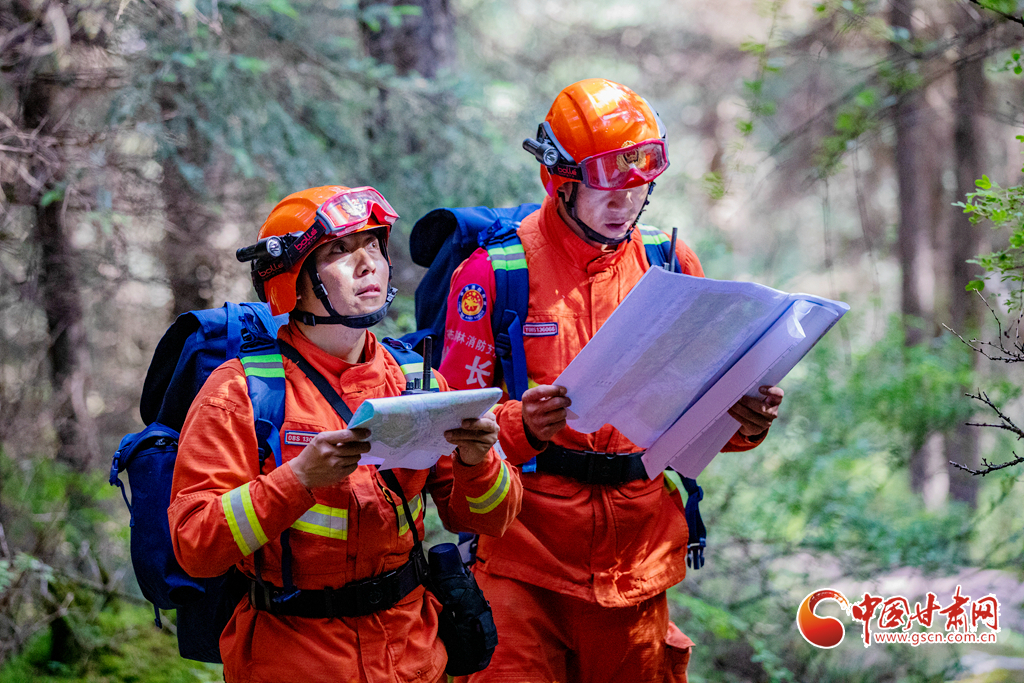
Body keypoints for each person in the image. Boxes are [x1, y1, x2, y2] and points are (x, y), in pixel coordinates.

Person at [438, 79, 785, 683]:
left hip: (638, 560)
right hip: (524, 562)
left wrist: (742, 418)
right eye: (609, 181)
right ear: (560, 178)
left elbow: (695, 411)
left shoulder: (670, 264)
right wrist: (522, 426)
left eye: (640, 179)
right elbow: (449, 433)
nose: (627, 198)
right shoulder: (493, 275)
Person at [169, 184, 522, 683]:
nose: (368, 264)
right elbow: (195, 547)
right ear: (292, 279)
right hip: (293, 660)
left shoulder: (415, 380)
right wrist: (297, 480)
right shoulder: (242, 392)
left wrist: (477, 461)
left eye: (373, 247)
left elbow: (491, 519)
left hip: (413, 656)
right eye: (339, 250)